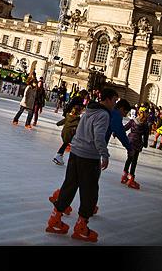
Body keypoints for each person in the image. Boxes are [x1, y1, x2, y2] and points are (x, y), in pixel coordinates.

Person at [45, 87, 119, 242]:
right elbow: (99, 137)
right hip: (89, 157)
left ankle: (55, 218)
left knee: (69, 185)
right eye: (114, 100)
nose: (114, 104)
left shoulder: (89, 110)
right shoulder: (103, 114)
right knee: (90, 191)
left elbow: (79, 130)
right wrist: (104, 155)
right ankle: (81, 226)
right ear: (108, 99)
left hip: (76, 153)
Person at [120, 106, 149, 189]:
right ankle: (131, 179)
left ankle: (124, 176)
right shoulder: (145, 124)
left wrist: (117, 132)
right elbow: (146, 136)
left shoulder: (133, 121)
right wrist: (145, 144)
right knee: (134, 160)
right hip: (137, 142)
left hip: (130, 141)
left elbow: (125, 128)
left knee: (129, 158)